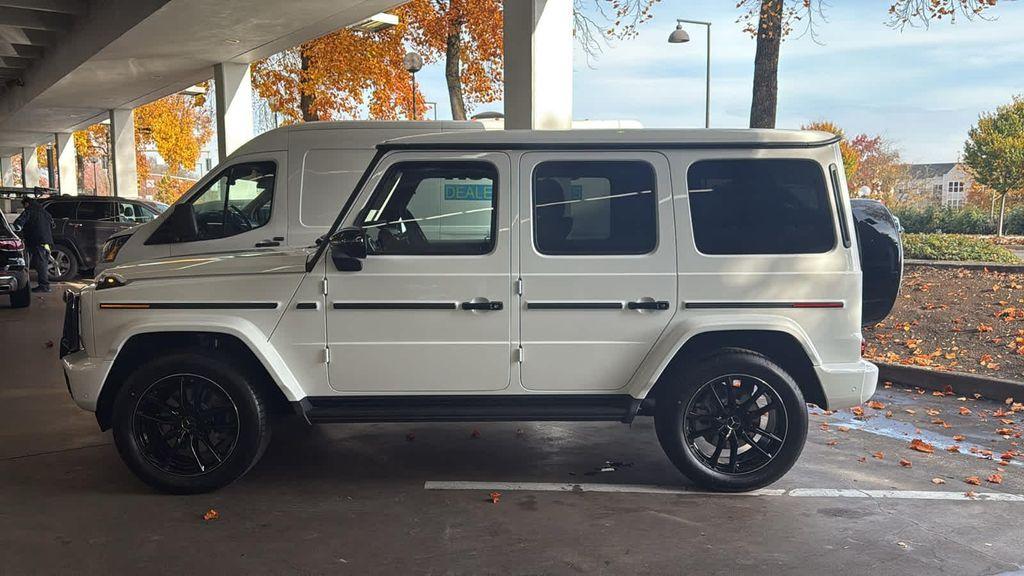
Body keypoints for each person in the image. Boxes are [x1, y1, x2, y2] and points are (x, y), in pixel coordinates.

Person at [13, 197, 54, 292]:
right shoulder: (45, 212)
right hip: (47, 242)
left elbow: (18, 224)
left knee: (40, 264)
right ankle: (44, 285)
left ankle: (44, 286)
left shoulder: (29, 211)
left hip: (36, 241)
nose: (24, 207)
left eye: (24, 205)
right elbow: (52, 224)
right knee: (43, 264)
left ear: (27, 204)